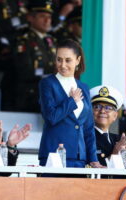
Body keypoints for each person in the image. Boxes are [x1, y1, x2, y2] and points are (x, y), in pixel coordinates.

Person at [38, 39, 102, 168]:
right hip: (54, 156)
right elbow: (51, 117)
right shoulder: (47, 83)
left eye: (68, 60)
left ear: (77, 60)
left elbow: (88, 128)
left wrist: (93, 159)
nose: (62, 65)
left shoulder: (83, 87)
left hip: (79, 157)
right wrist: (72, 101)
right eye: (59, 59)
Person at [6, 0, 56, 112]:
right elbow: (25, 71)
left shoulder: (51, 41)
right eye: (42, 16)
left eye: (49, 17)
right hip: (30, 92)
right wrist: (52, 72)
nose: (47, 20)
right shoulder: (23, 40)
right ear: (30, 18)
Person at [90, 85, 126, 168]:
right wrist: (114, 155)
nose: (102, 111)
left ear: (115, 116)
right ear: (90, 112)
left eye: (108, 108)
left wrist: (124, 153)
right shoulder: (84, 138)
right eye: (97, 107)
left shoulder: (118, 139)